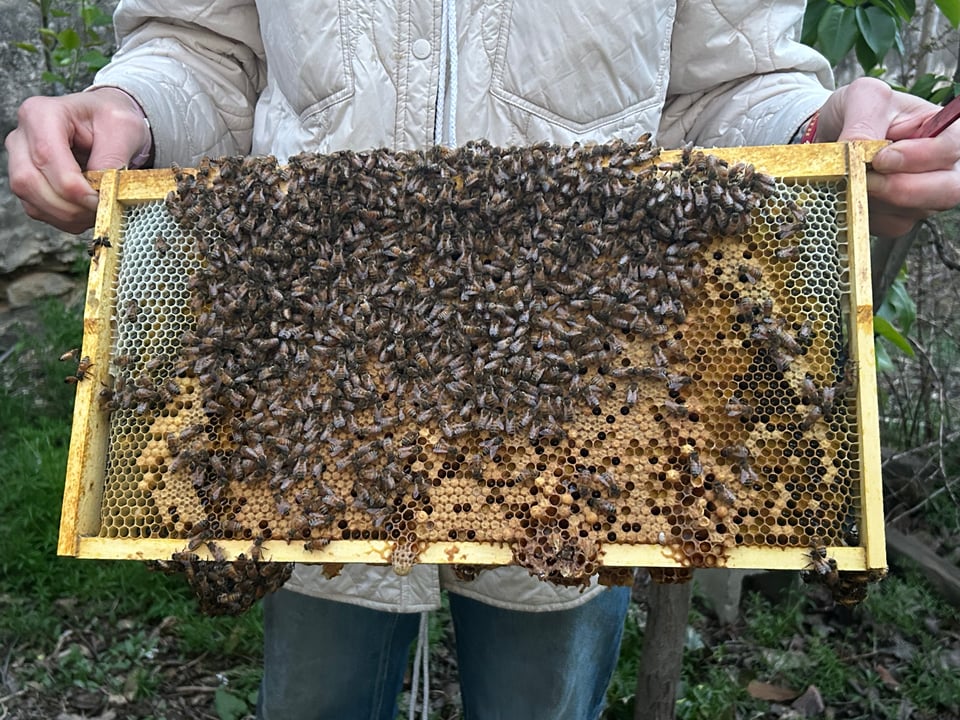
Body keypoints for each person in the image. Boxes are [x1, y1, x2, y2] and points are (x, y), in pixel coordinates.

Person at [5, 2, 959, 719]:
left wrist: (813, 133)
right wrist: (131, 103)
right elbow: (201, 48)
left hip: (593, 415)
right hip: (317, 407)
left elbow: (724, 84)